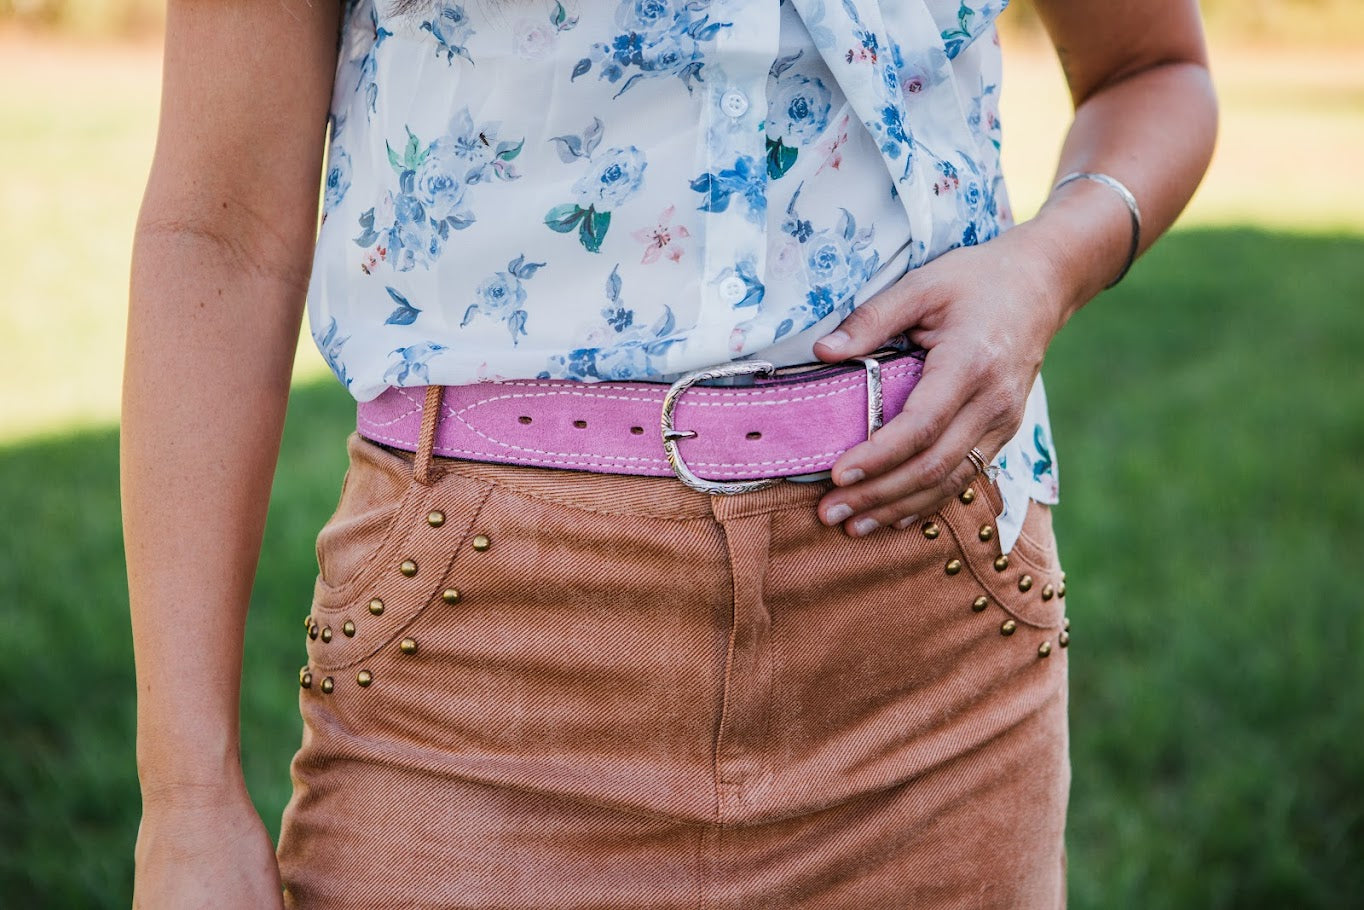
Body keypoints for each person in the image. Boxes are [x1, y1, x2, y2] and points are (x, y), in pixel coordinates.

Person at [123, 0, 1215, 906]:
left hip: (930, 657)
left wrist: (1046, 266)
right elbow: (221, 230)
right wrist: (185, 797)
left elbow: (1153, 71)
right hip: (476, 657)